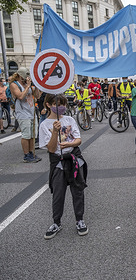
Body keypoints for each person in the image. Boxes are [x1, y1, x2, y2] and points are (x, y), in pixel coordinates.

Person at [39, 94, 88, 239]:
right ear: (48, 104)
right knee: (58, 193)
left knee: (78, 190)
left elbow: (78, 140)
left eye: (63, 104)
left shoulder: (69, 120)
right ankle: (56, 222)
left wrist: (70, 144)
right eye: (58, 104)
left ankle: (80, 220)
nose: (61, 107)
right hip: (58, 161)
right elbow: (51, 148)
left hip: (73, 158)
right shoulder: (44, 125)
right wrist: (55, 132)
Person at [9, 67, 42, 163]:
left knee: (32, 135)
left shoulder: (28, 85)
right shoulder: (14, 85)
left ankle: (32, 153)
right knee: (26, 135)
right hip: (23, 114)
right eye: (24, 77)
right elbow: (20, 96)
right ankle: (26, 155)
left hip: (32, 112)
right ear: (19, 76)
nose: (26, 78)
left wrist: (36, 86)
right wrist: (27, 86)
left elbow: (37, 96)